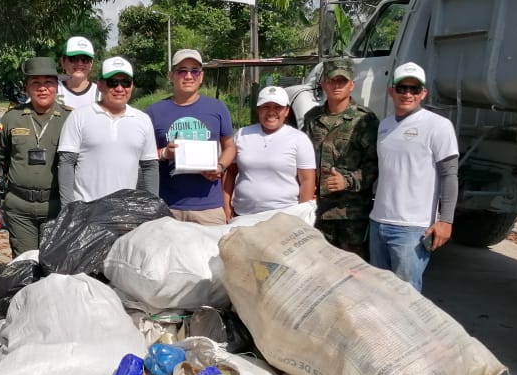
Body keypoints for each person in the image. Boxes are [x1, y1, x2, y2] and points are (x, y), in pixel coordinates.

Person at [370, 62, 459, 291]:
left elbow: (449, 176)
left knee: (406, 297)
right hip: (379, 223)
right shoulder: (384, 126)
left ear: (423, 93)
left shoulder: (438, 126)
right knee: (378, 292)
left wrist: (446, 221)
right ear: (391, 91)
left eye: (414, 89)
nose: (407, 94)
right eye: (402, 88)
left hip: (412, 229)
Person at [0, 56, 73, 256]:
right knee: (24, 264)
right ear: (26, 88)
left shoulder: (71, 118)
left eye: (48, 82)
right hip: (20, 208)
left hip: (56, 207)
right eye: (35, 83)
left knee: (53, 263)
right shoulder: (11, 118)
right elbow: (0, 158)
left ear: (57, 87)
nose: (42, 88)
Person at [147, 49, 235, 224]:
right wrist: (164, 153)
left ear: (201, 76)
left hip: (209, 208)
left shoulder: (218, 108)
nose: (188, 76)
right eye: (182, 71)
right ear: (171, 76)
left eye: (194, 71)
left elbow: (230, 147)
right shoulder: (153, 112)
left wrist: (220, 166)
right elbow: (143, 157)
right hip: (167, 207)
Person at [302, 57, 379, 257]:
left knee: (353, 270)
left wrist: (347, 181)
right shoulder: (312, 118)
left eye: (342, 81)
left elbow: (375, 165)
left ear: (351, 85)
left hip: (350, 215)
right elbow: (301, 158)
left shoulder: (364, 120)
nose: (337, 86)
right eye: (332, 80)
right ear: (323, 84)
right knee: (318, 266)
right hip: (317, 212)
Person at [57, 56, 158, 204]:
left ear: (132, 86)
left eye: (125, 82)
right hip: (86, 210)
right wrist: (68, 208)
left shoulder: (143, 120)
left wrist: (152, 206)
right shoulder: (79, 116)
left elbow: (150, 167)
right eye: (112, 82)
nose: (119, 88)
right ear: (100, 85)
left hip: (125, 211)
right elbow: (66, 163)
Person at [223, 86, 316, 217]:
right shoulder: (242, 134)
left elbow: (307, 180)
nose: (271, 112)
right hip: (243, 215)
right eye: (266, 107)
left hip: (285, 216)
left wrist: (302, 214)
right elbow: (230, 172)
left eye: (278, 107)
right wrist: (226, 206)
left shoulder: (299, 139)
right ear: (258, 110)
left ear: (287, 111)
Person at [57, 36, 99, 110]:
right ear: (63, 61)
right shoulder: (52, 89)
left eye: (85, 59)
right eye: (74, 58)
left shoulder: (102, 93)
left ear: (91, 63)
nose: (80, 63)